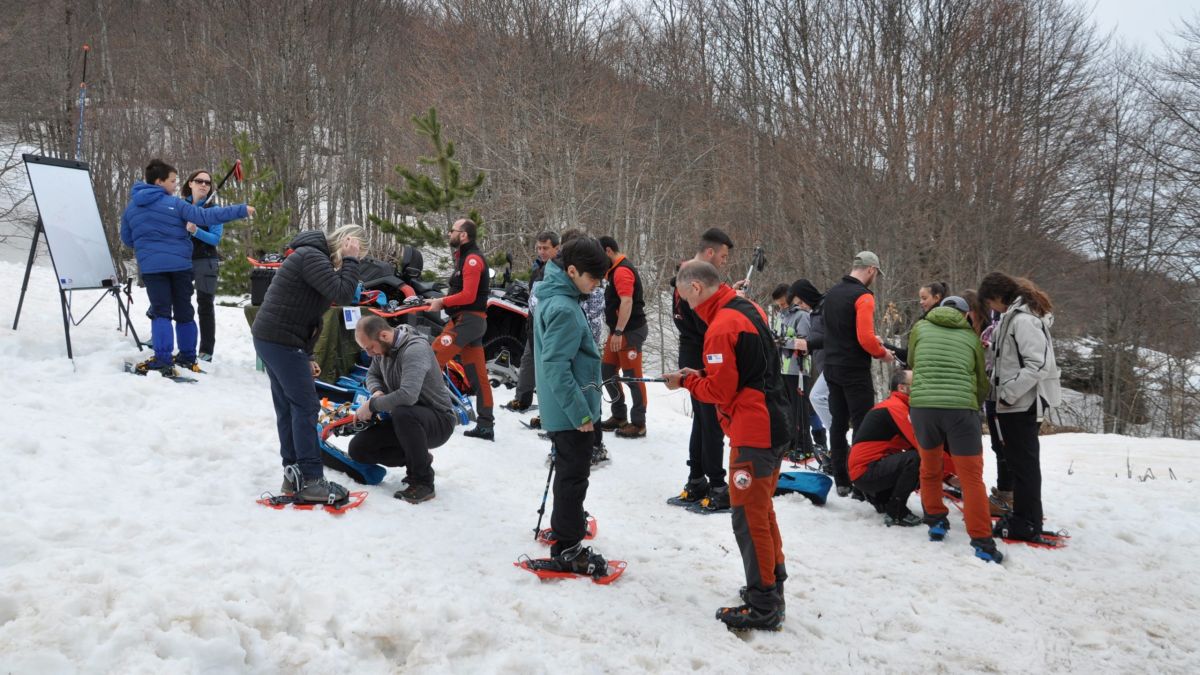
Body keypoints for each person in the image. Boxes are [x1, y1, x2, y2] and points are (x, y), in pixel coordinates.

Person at [665, 261, 791, 632]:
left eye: (684, 295)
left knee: (748, 517)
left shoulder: (720, 327)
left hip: (755, 429)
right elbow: (740, 370)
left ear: (698, 289)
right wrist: (698, 375)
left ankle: (764, 602)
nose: (683, 304)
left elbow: (721, 391)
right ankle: (772, 582)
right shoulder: (744, 307)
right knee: (761, 511)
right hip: (772, 418)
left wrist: (688, 383)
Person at [251, 226, 362, 504]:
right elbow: (343, 294)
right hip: (280, 340)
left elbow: (309, 312)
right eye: (356, 251)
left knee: (290, 407)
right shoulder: (312, 256)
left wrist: (309, 355)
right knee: (305, 406)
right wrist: (350, 261)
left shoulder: (309, 256)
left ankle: (294, 475)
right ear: (345, 244)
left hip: (275, 339)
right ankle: (311, 480)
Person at [119, 159, 252, 376]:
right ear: (159, 181)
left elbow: (127, 239)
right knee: (184, 311)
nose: (174, 185)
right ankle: (188, 357)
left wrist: (149, 244)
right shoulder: (176, 204)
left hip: (153, 267)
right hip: (181, 265)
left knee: (161, 311)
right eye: (172, 181)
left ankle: (163, 359)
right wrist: (241, 210)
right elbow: (206, 216)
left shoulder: (132, 208)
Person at [532, 236, 612, 573]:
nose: (595, 287)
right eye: (592, 280)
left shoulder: (559, 295)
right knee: (573, 478)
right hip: (571, 411)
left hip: (569, 405)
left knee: (570, 473)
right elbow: (555, 366)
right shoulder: (564, 307)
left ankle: (567, 530)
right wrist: (580, 412)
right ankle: (568, 547)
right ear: (573, 270)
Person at [909, 295, 1001, 562]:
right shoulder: (971, 337)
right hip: (961, 410)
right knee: (971, 477)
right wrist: (976, 403)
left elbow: (914, 362)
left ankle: (936, 521)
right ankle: (982, 542)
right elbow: (980, 379)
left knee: (930, 467)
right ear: (965, 315)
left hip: (924, 408)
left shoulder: (920, 328)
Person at [978, 273, 1062, 543]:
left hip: (1022, 404)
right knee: (1018, 463)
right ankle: (1024, 517)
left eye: (990, 303)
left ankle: (1027, 523)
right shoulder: (1014, 317)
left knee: (1024, 465)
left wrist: (1008, 393)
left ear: (998, 297)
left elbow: (1038, 365)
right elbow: (1012, 359)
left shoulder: (1023, 320)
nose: (991, 309)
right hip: (1014, 404)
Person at [349, 315, 457, 503]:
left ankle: (423, 482)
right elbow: (372, 375)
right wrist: (376, 392)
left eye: (370, 348)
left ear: (383, 335)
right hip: (407, 420)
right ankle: (420, 457)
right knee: (359, 449)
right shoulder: (382, 349)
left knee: (403, 411)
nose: (369, 354)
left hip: (439, 421)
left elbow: (408, 395)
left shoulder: (415, 350)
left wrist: (372, 405)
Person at [670, 227, 735, 507]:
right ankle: (717, 484)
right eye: (722, 256)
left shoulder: (686, 276)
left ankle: (697, 478)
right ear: (710, 252)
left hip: (693, 353)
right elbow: (706, 323)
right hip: (702, 355)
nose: (724, 261)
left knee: (702, 420)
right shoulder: (693, 281)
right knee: (710, 421)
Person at [822, 251, 895, 496]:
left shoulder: (831, 294)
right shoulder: (863, 297)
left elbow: (835, 331)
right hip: (854, 370)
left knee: (838, 424)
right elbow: (864, 338)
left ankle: (841, 480)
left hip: (831, 366)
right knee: (864, 425)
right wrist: (881, 353)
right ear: (871, 270)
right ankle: (862, 483)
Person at [426, 218, 495, 441]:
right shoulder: (463, 257)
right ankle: (485, 425)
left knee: (430, 359)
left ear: (463, 235)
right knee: (477, 375)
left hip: (468, 321)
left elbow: (468, 295)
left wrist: (442, 302)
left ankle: (429, 413)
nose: (449, 234)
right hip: (466, 321)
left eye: (452, 230)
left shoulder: (473, 259)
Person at [849, 369, 922, 526]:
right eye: (917, 383)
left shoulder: (895, 405)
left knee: (913, 457)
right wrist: (952, 476)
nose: (921, 387)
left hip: (866, 470)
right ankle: (896, 512)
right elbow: (922, 446)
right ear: (902, 388)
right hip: (866, 471)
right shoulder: (895, 407)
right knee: (916, 458)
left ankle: (882, 499)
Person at [598, 236, 649, 438]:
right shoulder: (613, 271)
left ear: (608, 251)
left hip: (630, 332)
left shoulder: (622, 271)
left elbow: (626, 302)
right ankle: (619, 416)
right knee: (607, 371)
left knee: (632, 377)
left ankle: (639, 423)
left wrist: (619, 331)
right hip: (617, 332)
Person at [505, 231, 559, 412]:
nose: (542, 251)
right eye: (539, 248)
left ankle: (549, 409)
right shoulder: (538, 268)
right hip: (533, 324)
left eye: (546, 248)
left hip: (549, 326)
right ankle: (522, 399)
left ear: (556, 248)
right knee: (528, 361)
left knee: (547, 369)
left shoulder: (559, 269)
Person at [181, 169, 226, 362]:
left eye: (207, 183)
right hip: (181, 260)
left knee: (204, 304)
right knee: (176, 300)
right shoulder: (180, 206)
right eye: (199, 181)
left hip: (206, 261)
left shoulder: (213, 210)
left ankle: (206, 349)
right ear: (190, 183)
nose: (204, 185)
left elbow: (215, 239)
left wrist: (195, 230)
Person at [771, 280, 815, 462]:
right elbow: (775, 335)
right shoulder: (781, 316)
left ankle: (805, 446)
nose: (781, 307)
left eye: (782, 303)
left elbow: (803, 342)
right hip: (782, 367)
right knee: (786, 409)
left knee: (799, 409)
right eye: (778, 305)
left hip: (798, 368)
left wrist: (780, 341)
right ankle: (790, 443)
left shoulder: (801, 315)